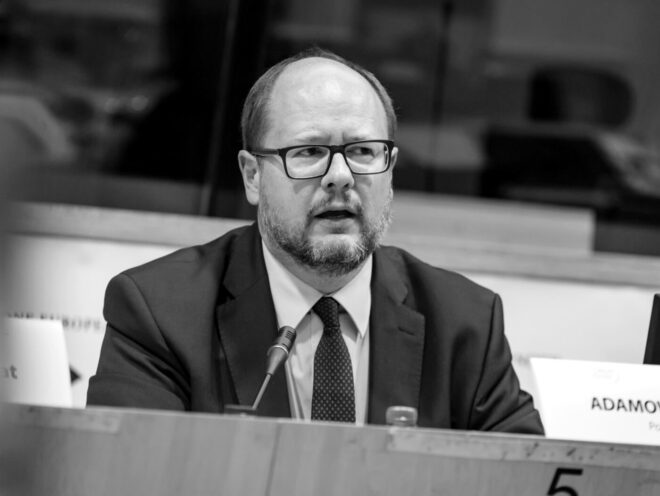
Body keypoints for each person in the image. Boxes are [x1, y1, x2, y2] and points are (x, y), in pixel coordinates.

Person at [87, 48, 544, 434]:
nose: (340, 177)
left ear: (390, 169)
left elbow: (525, 476)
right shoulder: (159, 312)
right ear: (252, 176)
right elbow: (127, 473)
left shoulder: (465, 322)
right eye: (308, 152)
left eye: (363, 151)